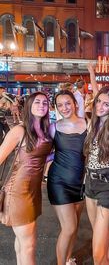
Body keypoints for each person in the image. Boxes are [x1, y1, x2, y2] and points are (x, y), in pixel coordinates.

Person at [0, 91, 52, 265]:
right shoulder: (19, 130)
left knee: (22, 241)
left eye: (45, 103)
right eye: (37, 102)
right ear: (29, 105)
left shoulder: (45, 130)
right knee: (29, 244)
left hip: (33, 191)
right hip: (18, 192)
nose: (41, 105)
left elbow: (43, 156)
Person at [83, 86, 109, 265]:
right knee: (102, 240)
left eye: (106, 104)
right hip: (90, 185)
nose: (100, 106)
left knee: (97, 252)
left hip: (106, 188)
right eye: (98, 101)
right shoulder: (92, 124)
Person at [47, 90, 87, 265]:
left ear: (75, 104)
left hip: (80, 182)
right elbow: (44, 152)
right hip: (59, 182)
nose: (64, 107)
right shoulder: (53, 127)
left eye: (68, 103)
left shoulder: (87, 123)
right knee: (68, 227)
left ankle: (68, 259)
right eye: (60, 105)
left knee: (74, 226)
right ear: (56, 107)